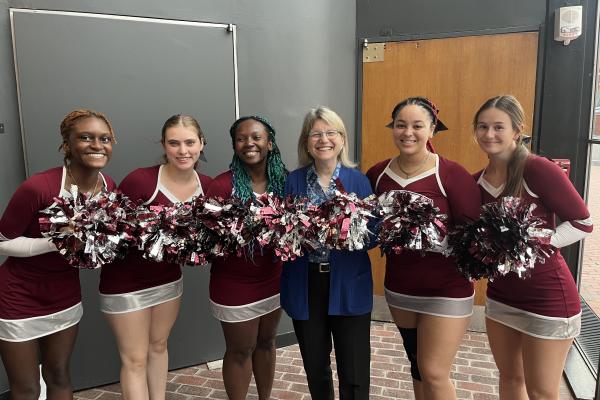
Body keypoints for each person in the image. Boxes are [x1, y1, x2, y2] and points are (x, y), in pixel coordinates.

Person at [473, 95, 593, 400]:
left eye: (498, 127)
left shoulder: (538, 169)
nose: (489, 134)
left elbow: (583, 222)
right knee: (510, 380)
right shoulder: (477, 181)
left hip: (548, 299)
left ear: (517, 131)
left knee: (542, 392)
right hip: (501, 296)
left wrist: (535, 241)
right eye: (483, 127)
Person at [366, 97, 481, 400]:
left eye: (418, 125)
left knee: (434, 371)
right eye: (401, 125)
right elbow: (365, 227)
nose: (408, 132)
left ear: (432, 129)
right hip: (401, 288)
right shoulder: (377, 174)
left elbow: (473, 234)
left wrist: (430, 235)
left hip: (447, 289)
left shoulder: (452, 174)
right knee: (417, 366)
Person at [0, 109, 117, 400]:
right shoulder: (38, 187)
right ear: (67, 144)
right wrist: (56, 242)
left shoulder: (108, 187)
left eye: (105, 138)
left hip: (65, 294)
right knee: (27, 388)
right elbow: (2, 241)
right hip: (18, 296)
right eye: (85, 138)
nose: (96, 145)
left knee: (60, 375)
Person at [100, 114, 211, 400]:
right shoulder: (141, 180)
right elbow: (111, 231)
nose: (183, 150)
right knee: (135, 359)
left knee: (159, 346)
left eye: (189, 142)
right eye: (174, 143)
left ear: (201, 144)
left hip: (168, 281)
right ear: (163, 145)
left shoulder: (207, 187)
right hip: (126, 285)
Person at [281, 106, 373, 400]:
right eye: (316, 134)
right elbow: (282, 232)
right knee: (315, 364)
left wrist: (350, 235)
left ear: (342, 138)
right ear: (306, 142)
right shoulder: (293, 181)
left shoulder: (359, 180)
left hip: (348, 281)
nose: (324, 139)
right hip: (306, 283)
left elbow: (375, 232)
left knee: (355, 368)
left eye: (330, 132)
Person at [206, 115, 287, 400]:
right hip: (234, 283)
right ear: (234, 145)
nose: (249, 143)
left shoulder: (285, 183)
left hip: (273, 279)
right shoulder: (220, 186)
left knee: (267, 342)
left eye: (256, 137)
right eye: (241, 139)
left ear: (270, 142)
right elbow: (208, 241)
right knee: (240, 350)